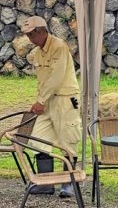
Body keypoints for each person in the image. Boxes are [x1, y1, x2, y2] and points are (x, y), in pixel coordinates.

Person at [21, 16, 82, 197]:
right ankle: (45, 182)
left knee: (68, 139)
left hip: (65, 98)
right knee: (39, 139)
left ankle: (69, 182)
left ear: (40, 31)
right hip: (47, 101)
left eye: (31, 35)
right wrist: (41, 100)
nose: (29, 39)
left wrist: (41, 101)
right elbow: (43, 80)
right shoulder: (38, 53)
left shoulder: (59, 47)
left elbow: (56, 76)